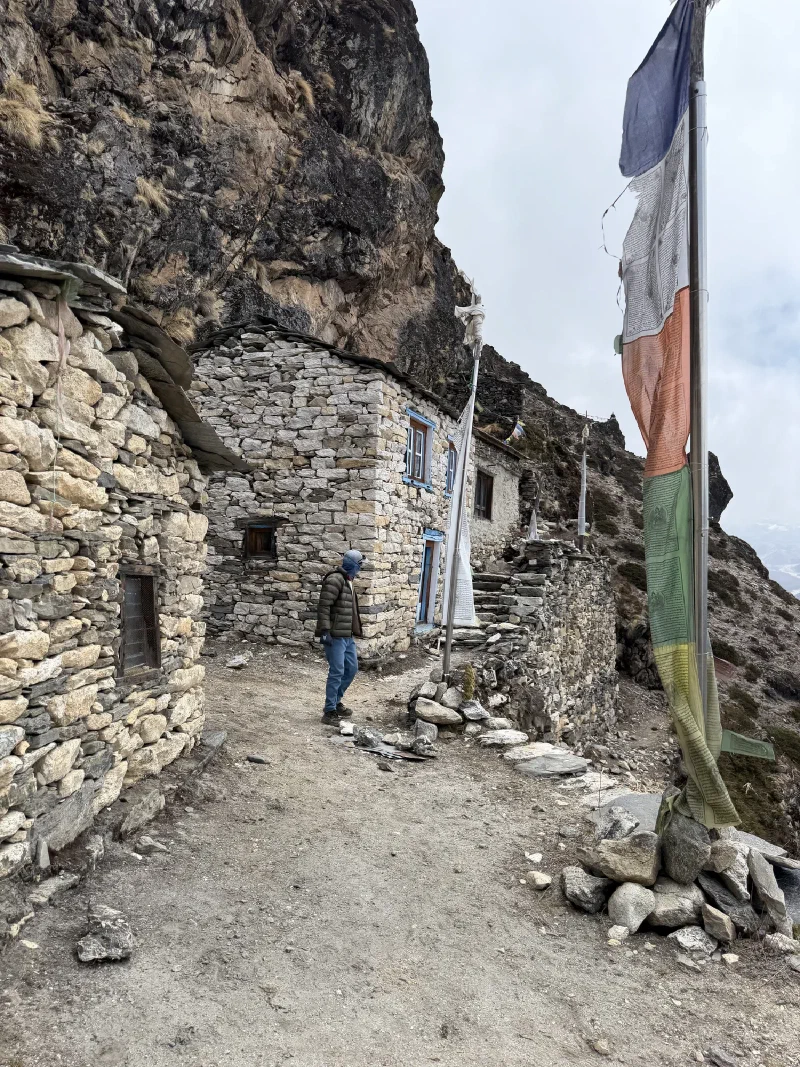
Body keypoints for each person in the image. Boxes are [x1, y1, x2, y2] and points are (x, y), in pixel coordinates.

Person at [316, 550, 365, 723]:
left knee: (351, 669)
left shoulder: (349, 581)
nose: (360, 568)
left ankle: (336, 702)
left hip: (347, 635)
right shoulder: (335, 579)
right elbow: (324, 607)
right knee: (337, 671)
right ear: (352, 564)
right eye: (359, 564)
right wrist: (325, 631)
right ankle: (329, 711)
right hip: (334, 635)